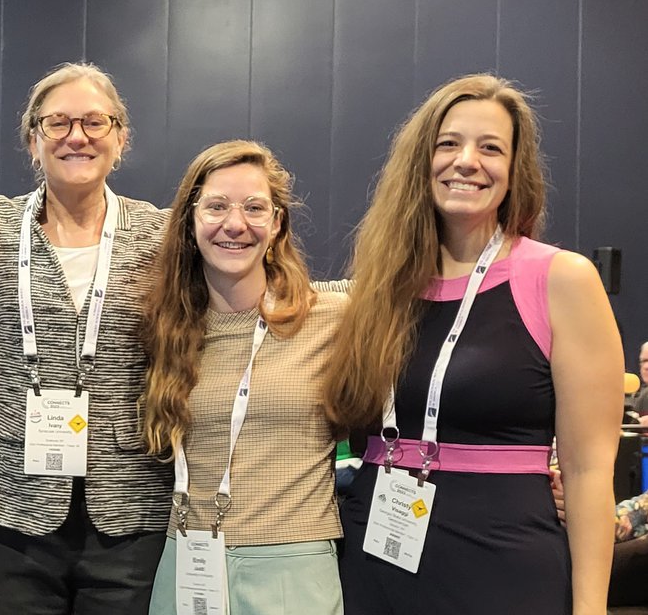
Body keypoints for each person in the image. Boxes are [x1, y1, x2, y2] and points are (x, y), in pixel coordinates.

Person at [324, 73, 623, 614]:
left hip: (503, 570)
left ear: (515, 170)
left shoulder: (561, 279)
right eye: (448, 144)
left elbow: (587, 473)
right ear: (422, 161)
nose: (467, 161)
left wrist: (591, 609)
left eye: (491, 148)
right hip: (375, 564)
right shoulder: (378, 289)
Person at [0, 62, 171, 614]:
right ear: (32, 139)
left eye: (94, 122)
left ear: (120, 138)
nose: (76, 136)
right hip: (16, 509)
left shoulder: (164, 233)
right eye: (57, 123)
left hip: (129, 515)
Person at [140, 140, 345, 614]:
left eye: (254, 208)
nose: (235, 224)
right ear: (191, 223)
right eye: (216, 206)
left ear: (277, 225)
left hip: (293, 569)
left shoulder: (331, 320)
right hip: (187, 566)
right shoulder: (165, 328)